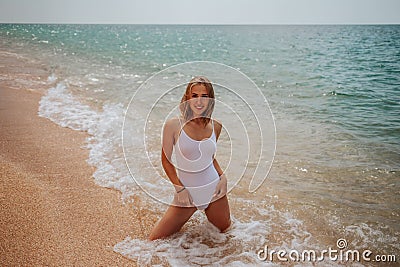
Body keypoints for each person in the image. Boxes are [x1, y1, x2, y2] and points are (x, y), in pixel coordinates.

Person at [149, 76, 231, 240]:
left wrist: (222, 176)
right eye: (194, 96)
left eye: (204, 96)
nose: (199, 101)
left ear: (210, 99)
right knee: (154, 241)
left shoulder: (216, 125)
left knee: (227, 237)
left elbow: (209, 157)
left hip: (214, 191)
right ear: (187, 98)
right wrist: (180, 189)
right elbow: (166, 161)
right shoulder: (173, 125)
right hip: (188, 195)